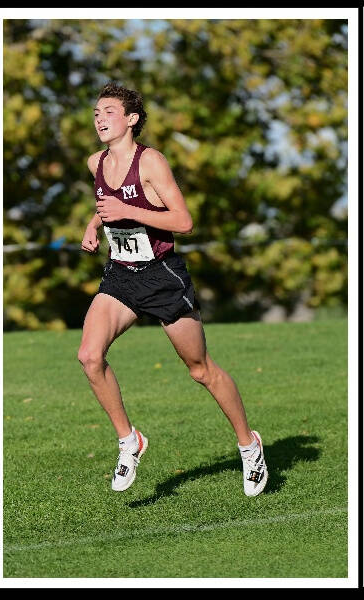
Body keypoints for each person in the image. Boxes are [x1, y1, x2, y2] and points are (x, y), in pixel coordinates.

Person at [78, 83, 268, 496]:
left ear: (130, 119)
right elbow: (103, 206)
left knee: (200, 370)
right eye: (95, 112)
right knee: (90, 357)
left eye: (108, 112)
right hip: (121, 275)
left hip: (163, 276)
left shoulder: (151, 162)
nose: (99, 119)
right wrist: (93, 228)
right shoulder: (96, 162)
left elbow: (183, 221)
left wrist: (127, 210)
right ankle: (130, 441)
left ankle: (249, 445)